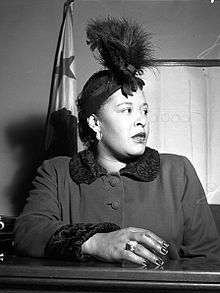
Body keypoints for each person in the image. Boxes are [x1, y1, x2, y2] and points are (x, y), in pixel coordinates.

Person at [14, 17, 220, 267]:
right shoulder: (57, 172)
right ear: (94, 123)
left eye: (144, 110)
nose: (141, 120)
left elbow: (208, 258)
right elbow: (27, 232)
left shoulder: (178, 171)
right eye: (126, 110)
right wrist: (95, 242)